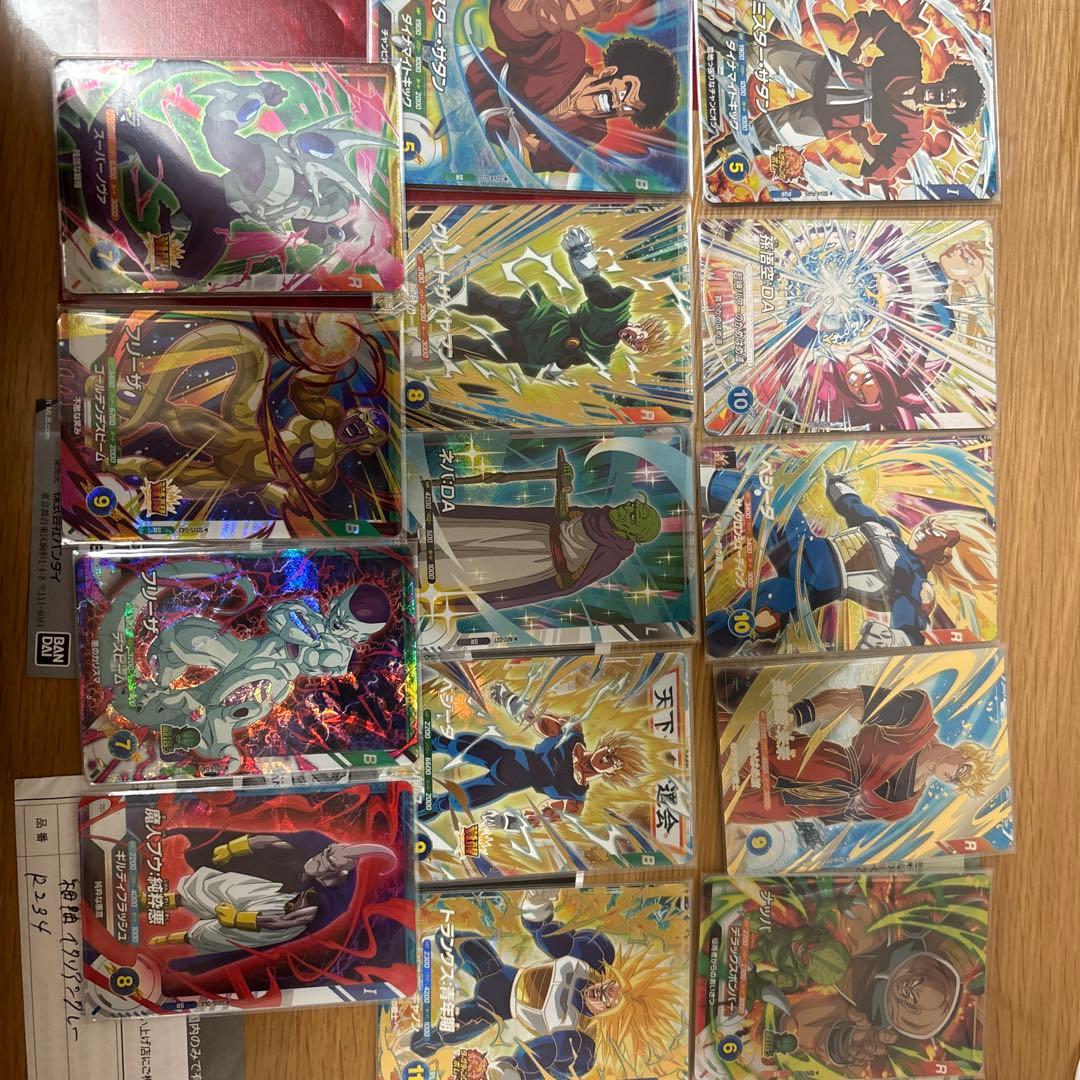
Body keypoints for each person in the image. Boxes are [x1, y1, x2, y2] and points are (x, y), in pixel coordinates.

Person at [704, 468, 995, 654]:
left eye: (936, 534)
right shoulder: (889, 530)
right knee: (759, 492)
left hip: (807, 586)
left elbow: (911, 629)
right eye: (929, 523)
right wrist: (837, 482)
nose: (924, 528)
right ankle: (692, 485)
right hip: (800, 543)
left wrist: (893, 640)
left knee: (745, 619)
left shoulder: (914, 581)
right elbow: (853, 507)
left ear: (944, 554)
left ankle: (695, 627)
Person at [703, 9, 985, 183]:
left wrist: (863, 141)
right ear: (949, 78)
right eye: (954, 88)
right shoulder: (909, 58)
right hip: (832, 73)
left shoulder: (912, 132)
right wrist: (862, 43)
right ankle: (719, 39)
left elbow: (882, 168)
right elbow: (877, 21)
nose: (947, 95)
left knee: (770, 136)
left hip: (830, 119)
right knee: (771, 54)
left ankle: (722, 152)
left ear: (950, 109)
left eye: (954, 100)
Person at [723, 684, 994, 825]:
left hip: (810, 804)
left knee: (730, 807)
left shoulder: (904, 807)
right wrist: (798, 715)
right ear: (963, 752)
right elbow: (852, 700)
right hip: (826, 765)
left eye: (958, 782)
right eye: (964, 771)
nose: (954, 778)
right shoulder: (917, 718)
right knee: (734, 746)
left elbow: (848, 815)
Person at [466, 0, 680, 174]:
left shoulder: (592, 130)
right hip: (472, 78)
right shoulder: (568, 53)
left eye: (630, 108)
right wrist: (541, 11)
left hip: (481, 137)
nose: (621, 104)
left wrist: (524, 140)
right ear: (609, 72)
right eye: (625, 91)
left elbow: (552, 160)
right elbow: (515, 32)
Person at [452, 226, 668, 376]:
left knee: (480, 349)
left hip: (536, 350)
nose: (633, 341)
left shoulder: (603, 352)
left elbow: (573, 358)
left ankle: (435, 352)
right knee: (487, 303)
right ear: (640, 326)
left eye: (636, 346)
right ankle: (445, 287)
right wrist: (581, 255)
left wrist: (556, 369)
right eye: (640, 338)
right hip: (541, 318)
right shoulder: (614, 311)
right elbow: (595, 285)